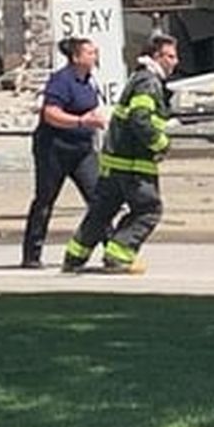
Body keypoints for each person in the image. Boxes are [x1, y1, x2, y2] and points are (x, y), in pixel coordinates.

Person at [62, 32, 178, 275]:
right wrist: (161, 144)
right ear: (156, 56)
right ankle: (119, 255)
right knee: (148, 210)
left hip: (114, 162)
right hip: (134, 165)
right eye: (170, 56)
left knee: (102, 211)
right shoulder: (149, 82)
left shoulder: (138, 78)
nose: (175, 61)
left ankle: (75, 257)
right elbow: (140, 118)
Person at [21, 37, 106, 269]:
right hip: (54, 148)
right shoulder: (61, 80)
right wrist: (81, 121)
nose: (94, 56)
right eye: (90, 52)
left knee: (100, 199)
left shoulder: (89, 81)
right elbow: (50, 113)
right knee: (45, 200)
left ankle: (113, 251)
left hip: (82, 150)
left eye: (95, 52)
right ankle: (32, 254)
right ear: (76, 57)